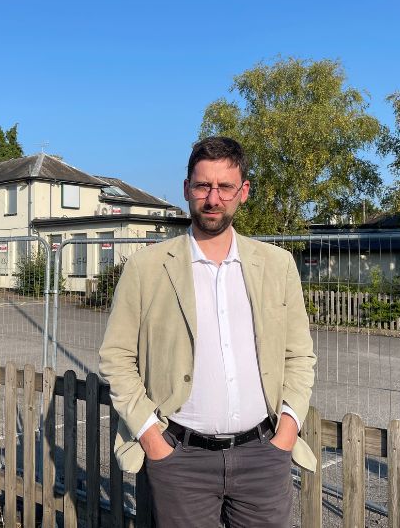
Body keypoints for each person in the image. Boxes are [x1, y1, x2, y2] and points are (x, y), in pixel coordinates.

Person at [98, 136, 317, 527]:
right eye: (203, 186)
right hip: (180, 459)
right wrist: (151, 438)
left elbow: (299, 355)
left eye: (225, 187)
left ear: (243, 192)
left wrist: (286, 431)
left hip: (263, 457)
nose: (213, 198)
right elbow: (116, 358)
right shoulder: (146, 269)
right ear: (187, 189)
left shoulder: (277, 265)